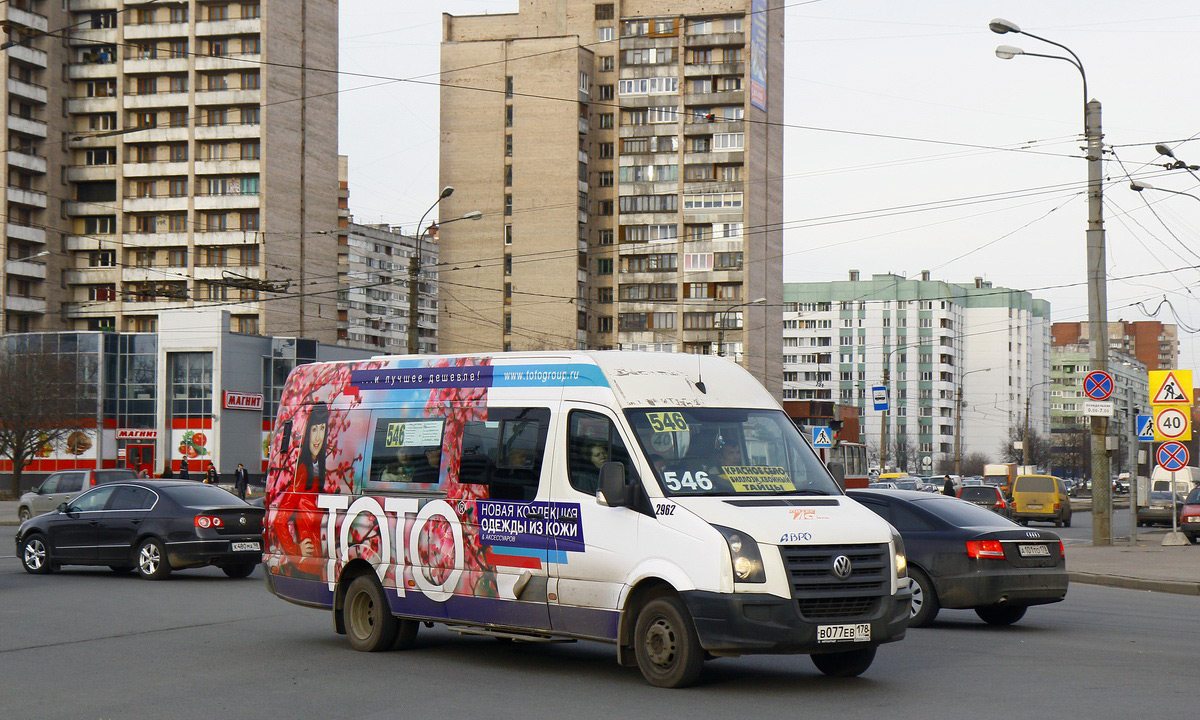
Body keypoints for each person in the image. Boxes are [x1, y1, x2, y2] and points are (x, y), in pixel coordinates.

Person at [270, 402, 329, 577]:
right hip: (306, 565)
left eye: (322, 429)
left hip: (319, 563)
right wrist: (295, 550)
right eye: (314, 430)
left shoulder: (321, 472)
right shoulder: (302, 473)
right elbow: (279, 520)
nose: (317, 438)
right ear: (307, 433)